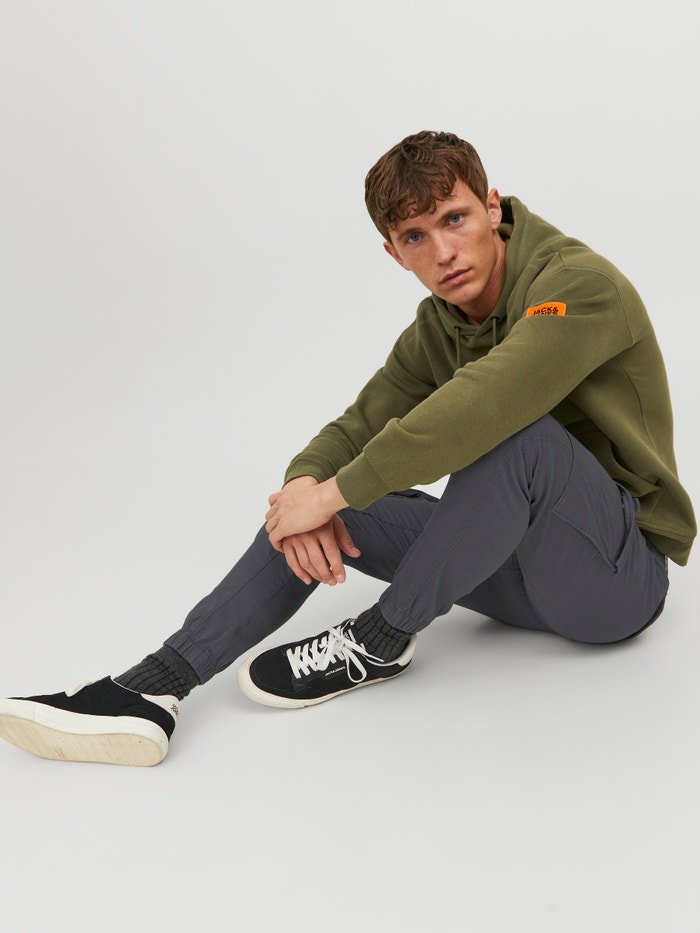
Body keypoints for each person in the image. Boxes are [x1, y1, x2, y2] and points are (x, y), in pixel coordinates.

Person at [0, 131, 695, 767]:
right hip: (507, 571)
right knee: (318, 504)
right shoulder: (439, 325)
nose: (443, 252)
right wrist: (305, 490)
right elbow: (358, 424)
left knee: (519, 434)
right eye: (415, 236)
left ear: (492, 208)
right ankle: (153, 686)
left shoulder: (576, 284)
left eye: (455, 219)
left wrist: (333, 492)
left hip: (616, 581)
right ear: (394, 253)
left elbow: (485, 403)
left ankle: (382, 637)